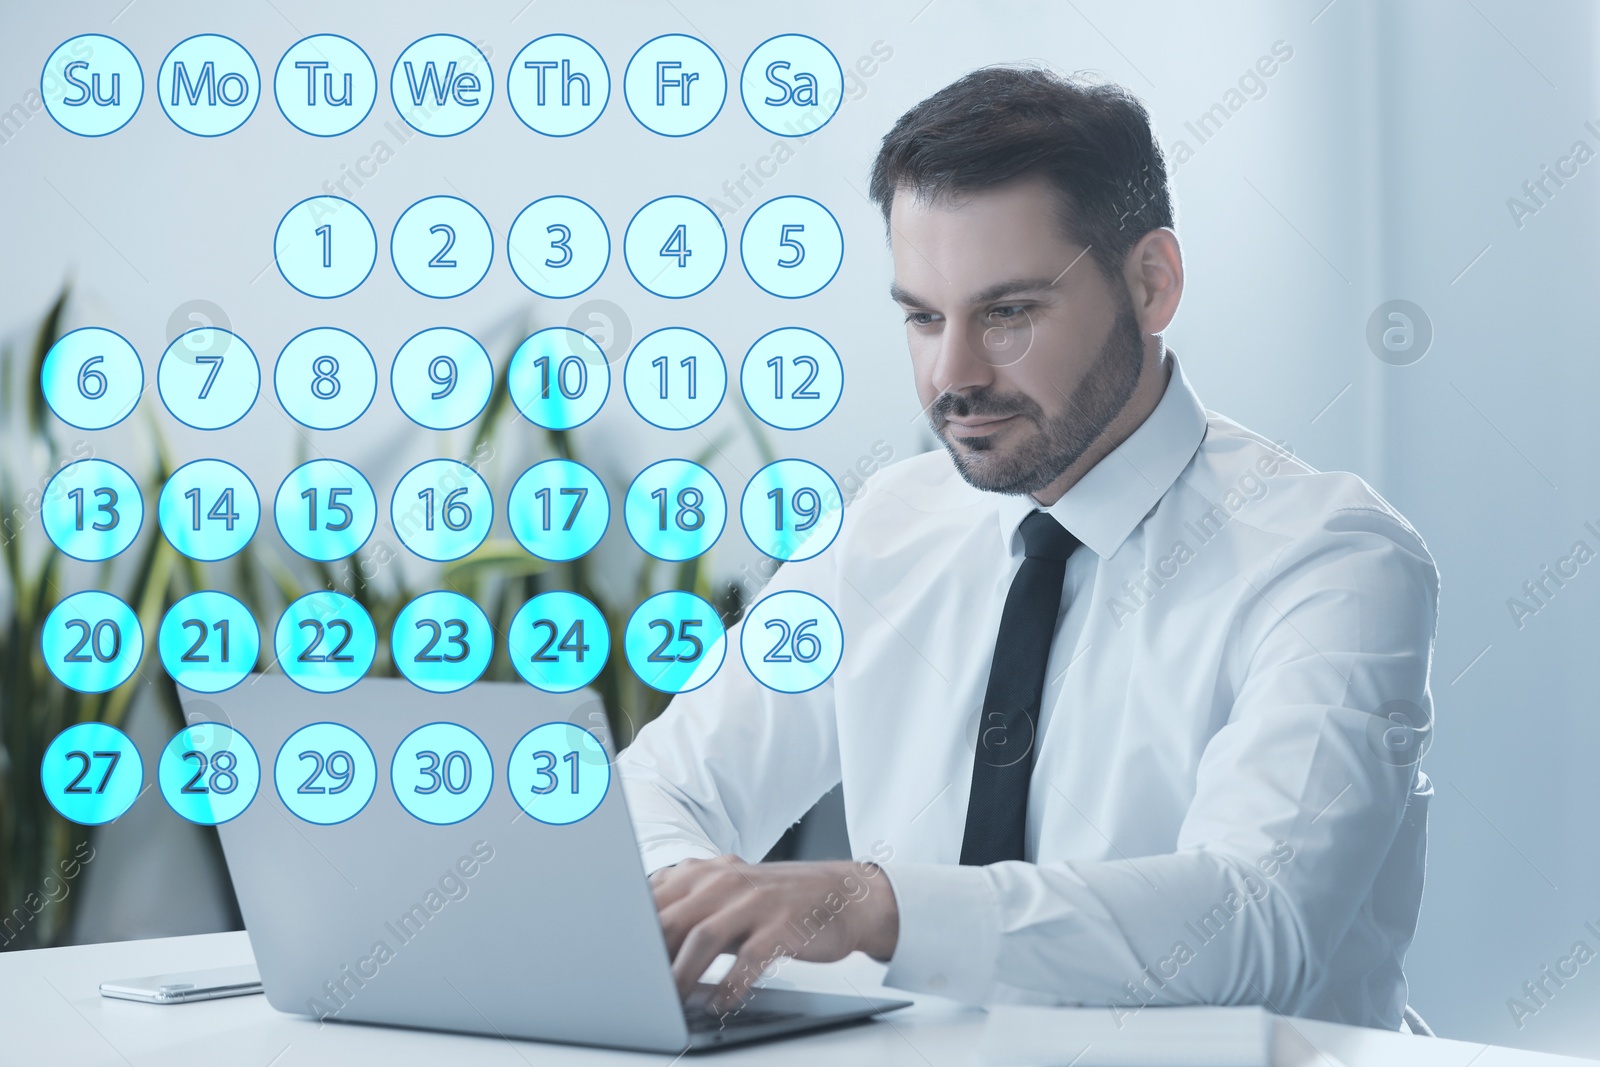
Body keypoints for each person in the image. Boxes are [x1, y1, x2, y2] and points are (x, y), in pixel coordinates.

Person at [617, 64, 1439, 1030]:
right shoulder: (883, 528)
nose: (950, 374)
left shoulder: (1333, 561)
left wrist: (880, 906)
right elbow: (659, 787)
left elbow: (1258, 923)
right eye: (923, 316)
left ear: (1151, 282)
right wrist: (702, 903)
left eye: (1007, 313)